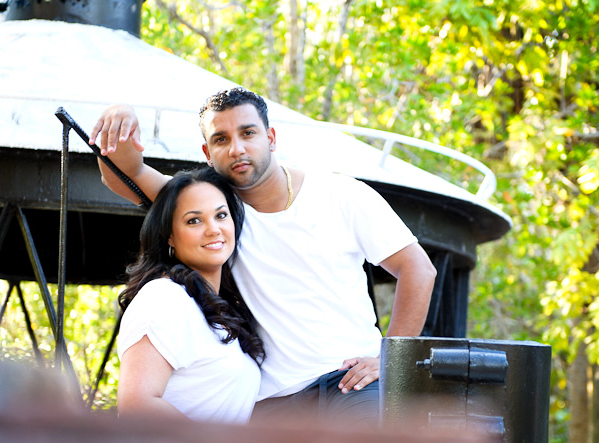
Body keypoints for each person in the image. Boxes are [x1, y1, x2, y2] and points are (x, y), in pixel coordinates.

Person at [91, 88, 436, 424]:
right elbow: (127, 174)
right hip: (274, 401)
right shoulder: (217, 213)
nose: (237, 148)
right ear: (207, 153)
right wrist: (120, 113)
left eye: (248, 133)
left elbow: (418, 269)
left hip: (351, 382)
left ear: (271, 138)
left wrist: (390, 359)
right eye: (221, 139)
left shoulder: (340, 193)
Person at [116, 167, 265, 423]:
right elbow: (136, 404)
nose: (213, 229)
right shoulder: (164, 297)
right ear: (170, 236)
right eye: (194, 220)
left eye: (221, 215)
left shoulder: (222, 310)